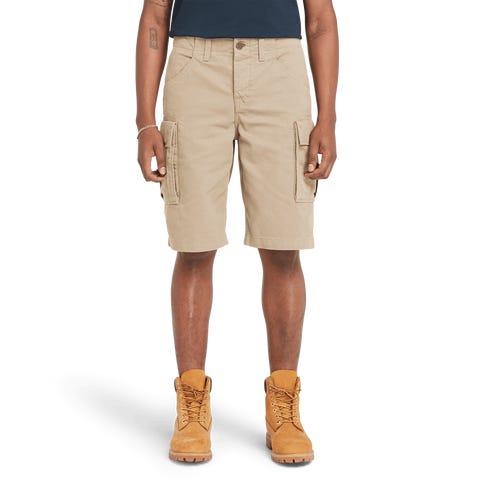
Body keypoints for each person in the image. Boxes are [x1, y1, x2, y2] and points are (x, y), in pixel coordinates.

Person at [135, 0, 338, 464]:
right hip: (194, 66)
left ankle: (284, 406)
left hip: (279, 68)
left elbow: (321, 18)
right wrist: (145, 120)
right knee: (193, 244)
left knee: (284, 245)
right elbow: (155, 15)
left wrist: (327, 116)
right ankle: (191, 403)